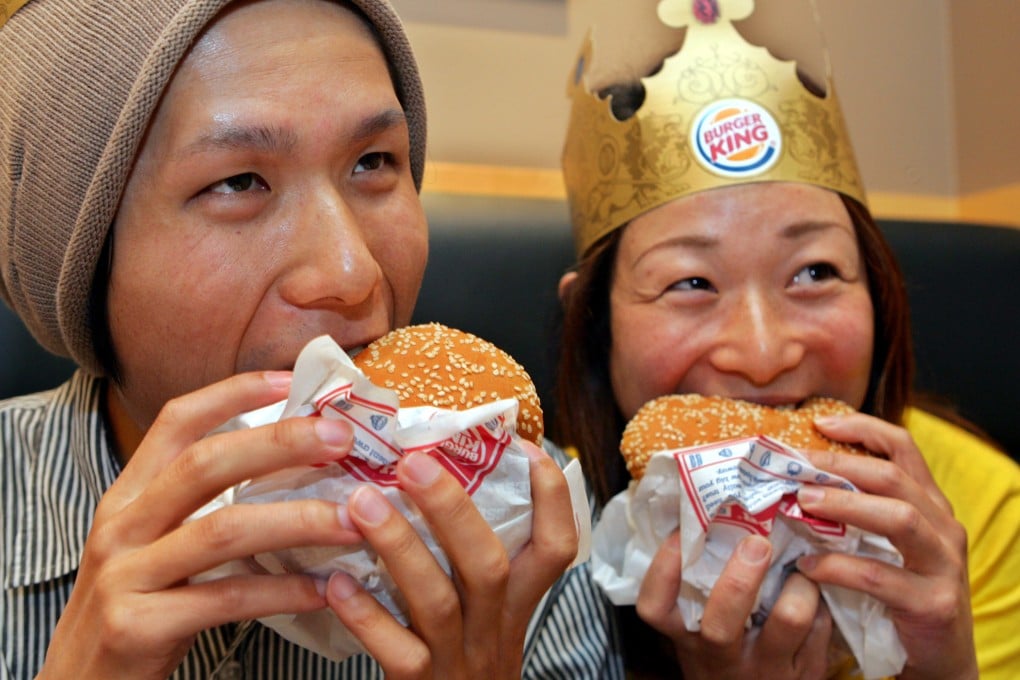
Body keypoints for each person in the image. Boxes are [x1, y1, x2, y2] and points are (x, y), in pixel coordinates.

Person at [0, 0, 622, 677]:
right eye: (239, 181)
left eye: (374, 162)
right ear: (81, 262)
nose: (353, 273)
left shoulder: (529, 528)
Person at [553, 0, 1020, 678]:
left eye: (814, 271)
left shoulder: (979, 508)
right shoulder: (534, 532)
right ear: (593, 325)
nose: (766, 354)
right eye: (690, 282)